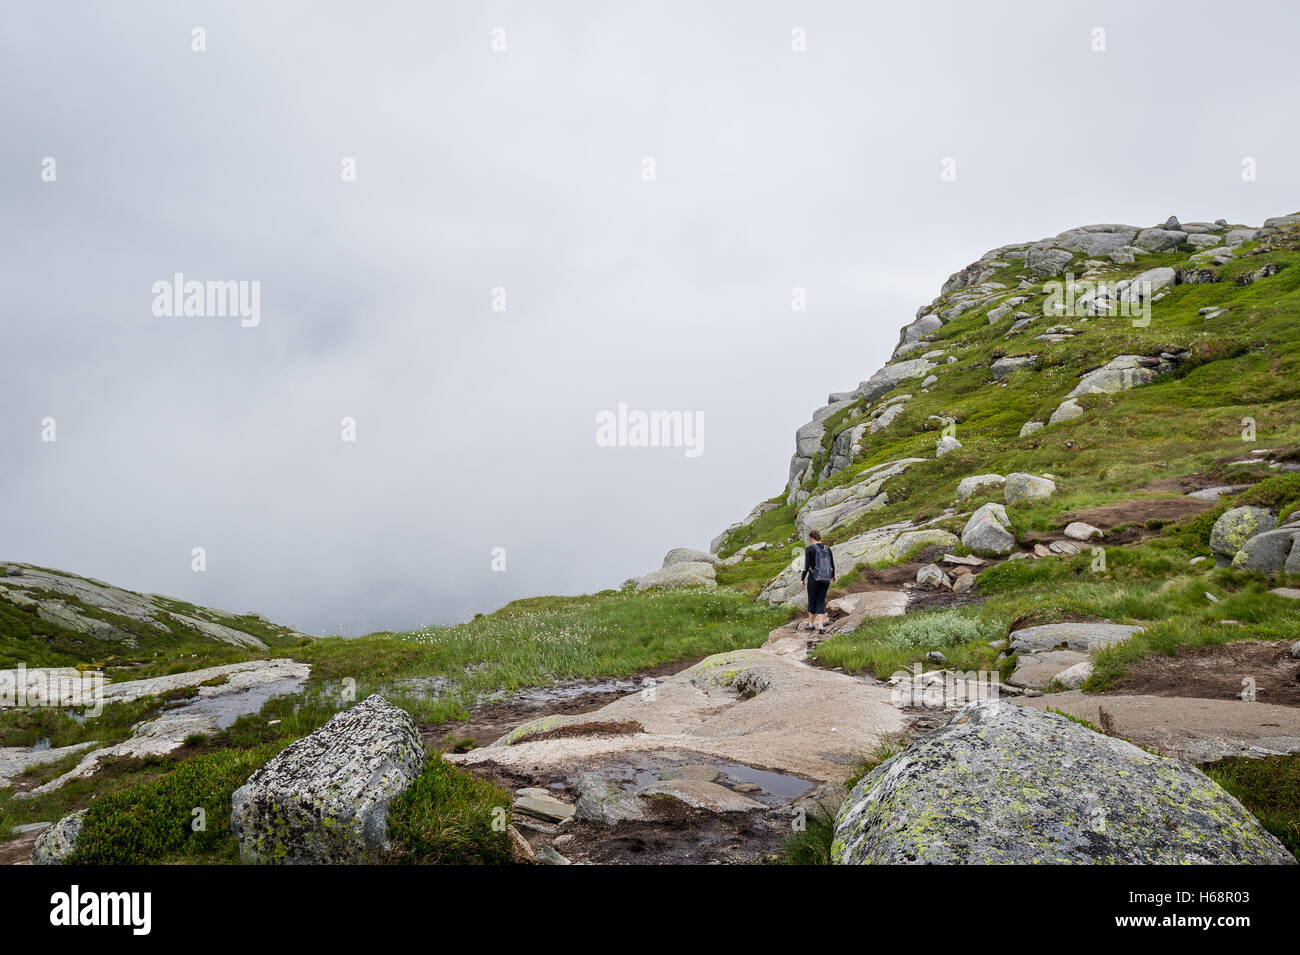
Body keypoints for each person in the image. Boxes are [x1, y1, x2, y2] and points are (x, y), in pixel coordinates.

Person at [800, 529, 836, 635]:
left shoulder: (809, 549)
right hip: (826, 579)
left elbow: (806, 566)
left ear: (811, 538)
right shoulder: (827, 548)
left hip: (814, 578)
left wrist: (802, 579)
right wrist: (832, 576)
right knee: (821, 601)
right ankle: (820, 625)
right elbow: (832, 564)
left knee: (812, 600)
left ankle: (811, 625)